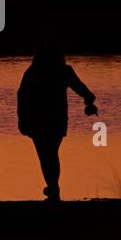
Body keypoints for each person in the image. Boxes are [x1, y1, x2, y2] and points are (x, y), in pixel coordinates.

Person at [17, 40, 98, 202]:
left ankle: (53, 187)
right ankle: (53, 187)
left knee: (45, 154)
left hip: (35, 119)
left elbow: (21, 95)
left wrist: (21, 118)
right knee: (52, 153)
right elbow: (81, 89)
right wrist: (89, 100)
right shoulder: (64, 70)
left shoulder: (33, 71)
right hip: (57, 118)